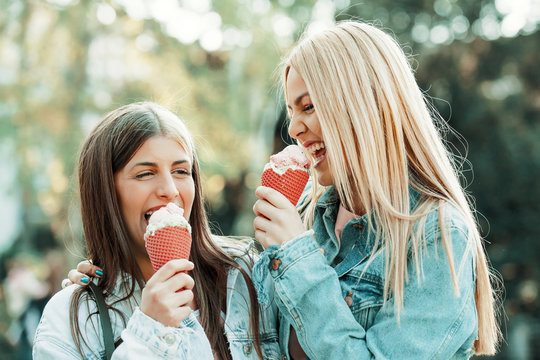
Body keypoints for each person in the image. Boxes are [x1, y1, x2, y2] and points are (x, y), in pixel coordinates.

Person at [251, 21, 501, 359]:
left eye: (308, 106)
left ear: (364, 105)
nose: (294, 128)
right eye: (292, 111)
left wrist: (297, 258)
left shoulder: (437, 235)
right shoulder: (308, 225)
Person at [33, 102, 281, 359]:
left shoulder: (246, 277)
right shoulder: (74, 319)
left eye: (181, 171)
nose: (170, 189)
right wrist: (149, 333)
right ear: (105, 192)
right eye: (145, 174)